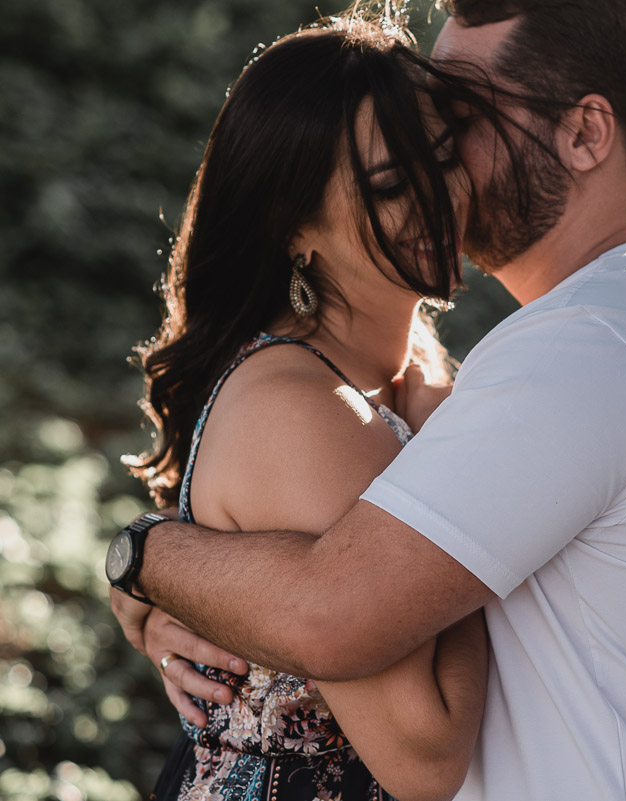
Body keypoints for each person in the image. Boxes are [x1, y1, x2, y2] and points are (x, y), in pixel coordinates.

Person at [112, 1, 626, 799]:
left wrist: (149, 555)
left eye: (464, 114)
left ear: (586, 133)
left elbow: (330, 613)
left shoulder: (588, 347)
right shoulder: (614, 326)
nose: (440, 163)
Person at [119, 13, 491, 801]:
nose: (440, 196)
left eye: (446, 156)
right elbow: (426, 756)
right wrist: (452, 461)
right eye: (391, 184)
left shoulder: (407, 363)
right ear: (295, 228)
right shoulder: (304, 410)